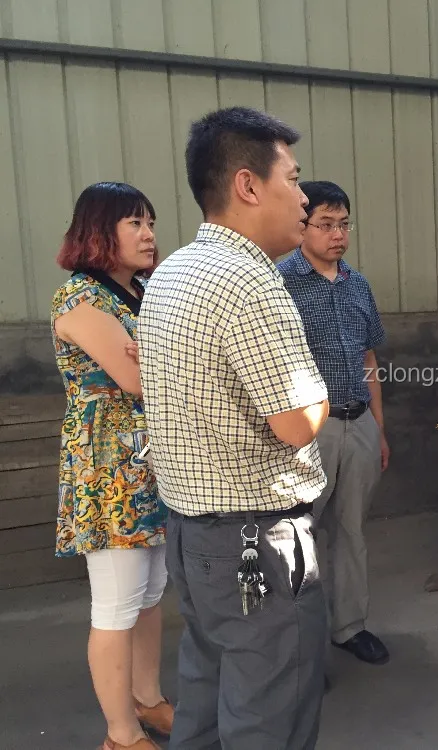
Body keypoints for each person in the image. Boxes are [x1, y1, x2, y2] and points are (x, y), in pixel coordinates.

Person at [136, 107, 330, 749]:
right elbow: (297, 423)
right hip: (256, 540)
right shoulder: (251, 282)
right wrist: (322, 388)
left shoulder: (173, 271)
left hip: (194, 535)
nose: (303, 199)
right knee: (270, 711)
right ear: (248, 185)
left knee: (207, 699)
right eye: (292, 179)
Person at [51, 182, 173, 750]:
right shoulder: (80, 298)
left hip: (152, 464)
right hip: (108, 471)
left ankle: (148, 700)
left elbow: (157, 364)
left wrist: (156, 353)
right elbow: (136, 379)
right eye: (134, 223)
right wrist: (165, 356)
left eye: (150, 222)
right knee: (117, 603)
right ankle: (120, 734)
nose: (149, 234)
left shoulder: (142, 291)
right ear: (99, 231)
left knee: (150, 594)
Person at [277, 181, 390, 665]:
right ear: (302, 227)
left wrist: (378, 428)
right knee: (295, 536)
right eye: (325, 224)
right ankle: (295, 644)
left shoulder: (357, 285)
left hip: (357, 421)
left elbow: (369, 359)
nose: (337, 235)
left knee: (351, 531)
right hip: (306, 432)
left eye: (343, 225)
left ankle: (349, 627)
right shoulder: (279, 283)